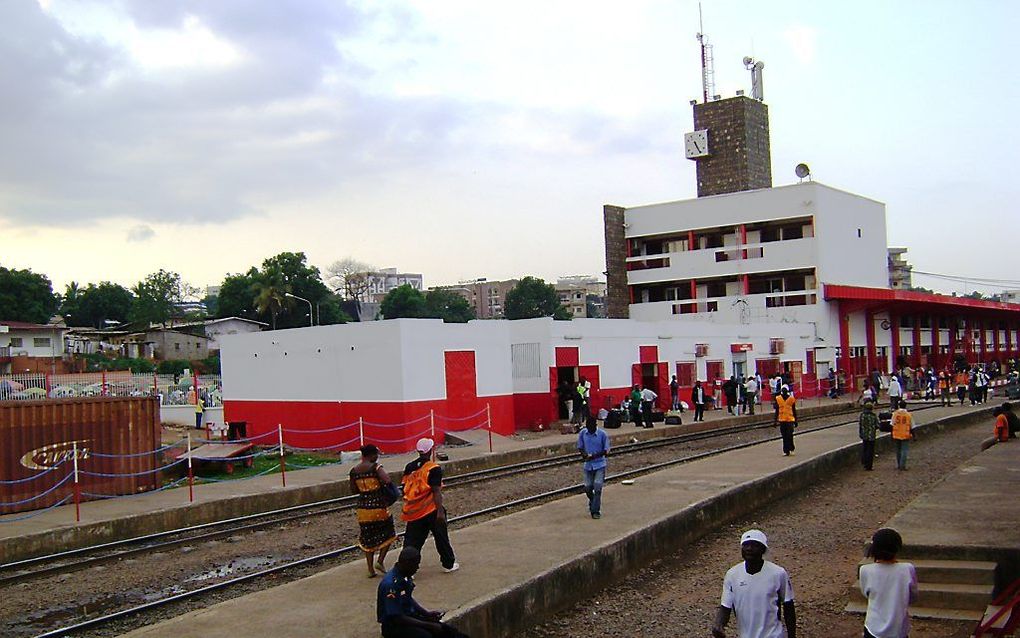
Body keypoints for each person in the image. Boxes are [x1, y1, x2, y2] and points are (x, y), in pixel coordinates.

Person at [711, 529, 796, 638]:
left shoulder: (778, 574)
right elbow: (725, 607)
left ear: (763, 550)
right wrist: (719, 624)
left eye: (754, 545)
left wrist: (792, 635)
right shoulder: (732, 575)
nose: (749, 549)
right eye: (745, 545)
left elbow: (788, 607)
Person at [377, 547, 471, 638]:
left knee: (447, 630)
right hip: (393, 626)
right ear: (407, 563)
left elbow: (408, 599)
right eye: (416, 564)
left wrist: (426, 614)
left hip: (408, 617)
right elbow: (397, 617)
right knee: (426, 635)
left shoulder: (404, 575)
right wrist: (428, 625)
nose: (417, 568)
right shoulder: (391, 584)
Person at [402, 438, 459, 573]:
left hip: (414, 511)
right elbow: (436, 491)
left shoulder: (409, 467)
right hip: (431, 509)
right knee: (441, 538)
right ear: (430, 450)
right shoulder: (433, 468)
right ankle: (448, 564)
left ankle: (407, 569)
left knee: (412, 541)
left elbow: (405, 487)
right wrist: (440, 512)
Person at [859, 528, 917, 638]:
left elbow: (866, 594)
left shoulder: (865, 570)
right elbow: (913, 597)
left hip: (873, 628)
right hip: (899, 630)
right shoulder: (907, 569)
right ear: (897, 548)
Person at [350, 444, 398, 577]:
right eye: (376, 454)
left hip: (363, 510)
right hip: (378, 507)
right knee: (389, 533)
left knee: (367, 539)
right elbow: (387, 480)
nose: (377, 457)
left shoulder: (354, 470)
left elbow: (354, 490)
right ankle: (380, 561)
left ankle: (370, 569)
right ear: (371, 455)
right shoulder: (376, 468)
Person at [577, 414, 610, 519]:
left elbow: (606, 451)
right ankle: (593, 500)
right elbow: (580, 447)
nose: (590, 430)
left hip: (600, 464)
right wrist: (584, 455)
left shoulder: (602, 435)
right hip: (588, 465)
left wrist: (594, 456)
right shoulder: (583, 433)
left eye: (592, 428)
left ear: (595, 426)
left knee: (598, 486)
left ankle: (595, 511)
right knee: (587, 487)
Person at [773, 385, 797, 457]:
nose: (783, 391)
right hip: (782, 419)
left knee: (790, 435)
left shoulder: (791, 399)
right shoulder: (778, 399)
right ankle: (786, 450)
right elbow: (777, 410)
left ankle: (791, 448)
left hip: (790, 419)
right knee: (784, 436)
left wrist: (796, 420)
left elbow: (794, 410)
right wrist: (775, 420)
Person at [890, 405, 912, 471]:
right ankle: (903, 465)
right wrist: (914, 435)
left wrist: (891, 434)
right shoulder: (908, 415)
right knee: (904, 450)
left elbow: (891, 424)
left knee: (898, 450)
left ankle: (899, 464)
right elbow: (912, 426)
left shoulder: (895, 414)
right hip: (905, 434)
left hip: (896, 434)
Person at [858, 400, 879, 471]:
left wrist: (861, 432)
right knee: (870, 451)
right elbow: (877, 425)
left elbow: (860, 425)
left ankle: (864, 462)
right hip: (871, 436)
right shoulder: (873, 416)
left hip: (864, 435)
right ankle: (869, 466)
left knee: (865, 449)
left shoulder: (862, 415)